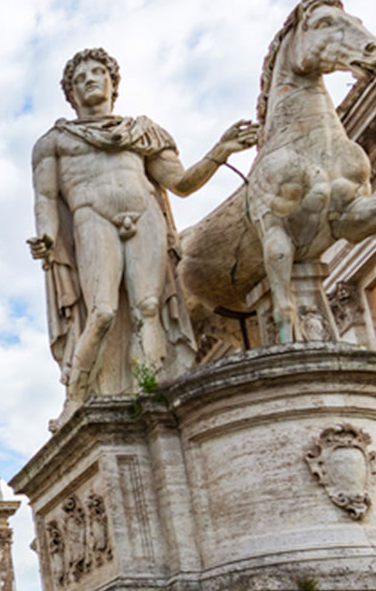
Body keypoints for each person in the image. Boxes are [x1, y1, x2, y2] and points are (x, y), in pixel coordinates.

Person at [30, 49, 256, 413]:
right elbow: (45, 198)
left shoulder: (142, 133)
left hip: (145, 213)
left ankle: (153, 391)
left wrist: (220, 151)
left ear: (112, 83)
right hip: (92, 216)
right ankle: (77, 396)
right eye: (79, 77)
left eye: (98, 72)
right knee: (101, 311)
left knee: (148, 308)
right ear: (70, 94)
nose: (89, 79)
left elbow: (180, 183)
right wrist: (46, 236)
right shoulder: (54, 142)